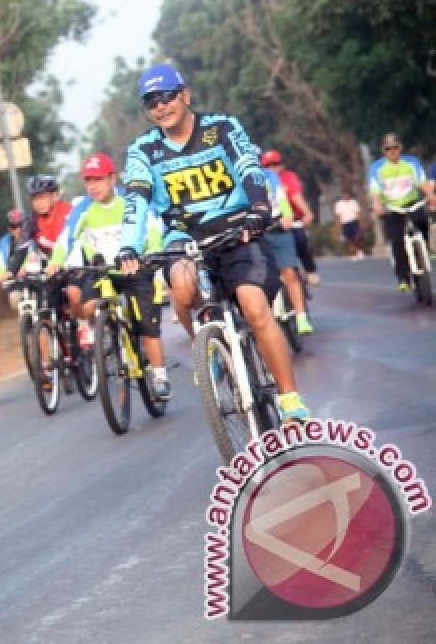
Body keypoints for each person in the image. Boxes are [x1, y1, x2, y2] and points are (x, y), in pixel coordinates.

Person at [116, 64, 310, 423]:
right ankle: (209, 349)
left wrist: (260, 208)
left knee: (253, 306)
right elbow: (136, 200)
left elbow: (250, 169)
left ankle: (289, 397)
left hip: (238, 230)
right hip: (184, 237)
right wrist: (129, 246)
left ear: (185, 96)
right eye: (151, 102)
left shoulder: (222, 128)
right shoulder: (143, 150)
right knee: (182, 288)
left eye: (167, 97)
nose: (161, 106)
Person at [46, 152, 171, 399]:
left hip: (136, 269)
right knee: (87, 305)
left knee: (146, 324)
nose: (93, 186)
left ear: (113, 179)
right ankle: (107, 333)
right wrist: (55, 262)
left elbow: (154, 228)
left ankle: (159, 376)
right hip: (103, 272)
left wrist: (153, 254)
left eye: (99, 179)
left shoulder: (131, 202)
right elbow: (66, 238)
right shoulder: (83, 209)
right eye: (88, 181)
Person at [368, 133, 436, 291]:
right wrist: (377, 204)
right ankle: (403, 277)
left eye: (395, 148)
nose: (392, 151)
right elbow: (375, 190)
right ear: (383, 151)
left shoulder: (411, 162)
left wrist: (431, 196)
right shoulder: (377, 167)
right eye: (388, 149)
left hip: (412, 203)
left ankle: (424, 247)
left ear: (400, 148)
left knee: (422, 220)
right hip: (392, 208)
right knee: (397, 241)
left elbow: (422, 182)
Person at [262, 163, 315, 334]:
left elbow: (281, 197)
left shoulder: (269, 176)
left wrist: (287, 215)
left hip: (278, 227)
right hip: (256, 234)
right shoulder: (235, 178)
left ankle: (301, 318)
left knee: (290, 273)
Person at [260, 149, 320, 285]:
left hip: (293, 220)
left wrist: (308, 213)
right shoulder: (261, 179)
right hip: (273, 223)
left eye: (275, 164)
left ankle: (310, 270)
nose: (272, 168)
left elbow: (296, 196)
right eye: (268, 165)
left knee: (301, 240)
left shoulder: (288, 177)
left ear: (282, 165)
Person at [332, 189, 365, 259]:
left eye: (347, 195)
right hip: (345, 223)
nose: (345, 196)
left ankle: (359, 251)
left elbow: (358, 213)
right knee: (350, 239)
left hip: (354, 221)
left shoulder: (353, 202)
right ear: (342, 196)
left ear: (349, 195)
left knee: (357, 237)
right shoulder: (339, 204)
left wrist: (361, 223)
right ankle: (354, 253)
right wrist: (338, 227)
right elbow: (338, 216)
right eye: (344, 195)